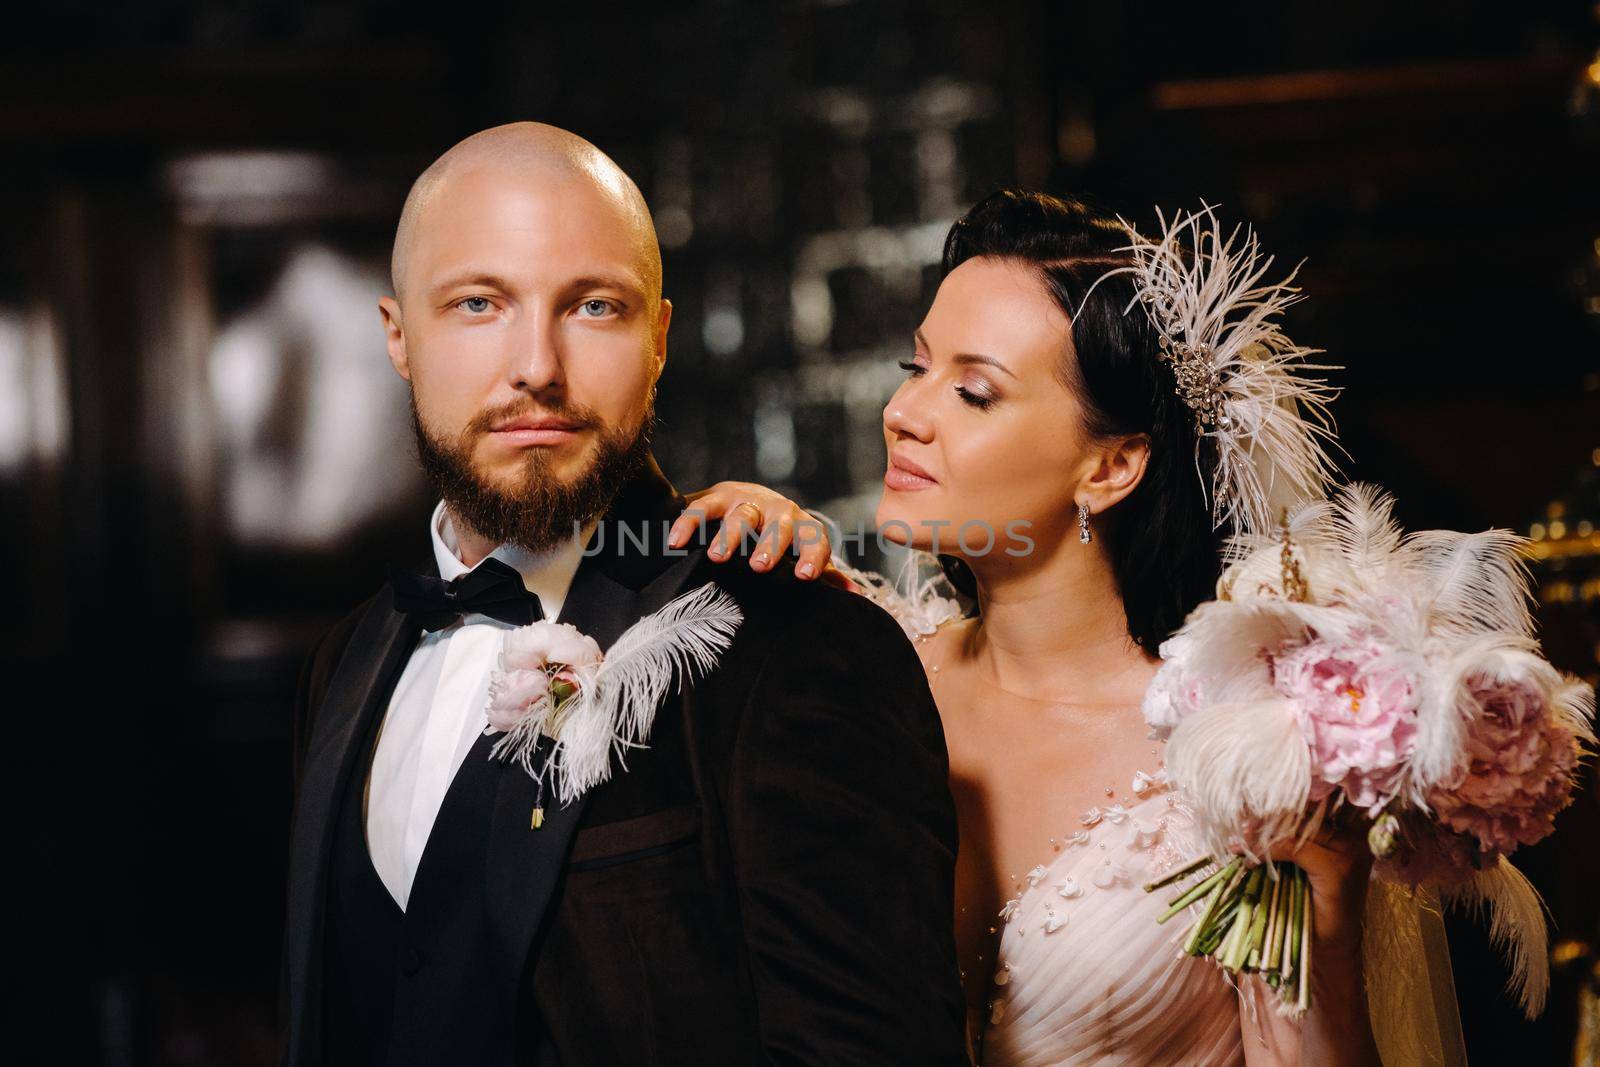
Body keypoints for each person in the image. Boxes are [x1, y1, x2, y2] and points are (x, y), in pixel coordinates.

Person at [672, 189, 1453, 1065]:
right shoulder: (847, 668)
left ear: (1112, 465)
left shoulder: (1233, 754)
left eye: (972, 391)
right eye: (914, 367)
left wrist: (1330, 940)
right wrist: (739, 563)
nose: (905, 413)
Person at [280, 122, 968, 1067]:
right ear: (398, 336)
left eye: (594, 307)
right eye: (479, 303)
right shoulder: (348, 660)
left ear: (659, 340)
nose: (537, 366)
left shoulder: (795, 641)